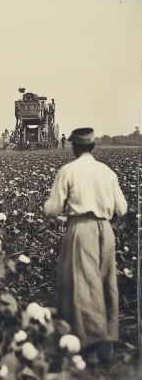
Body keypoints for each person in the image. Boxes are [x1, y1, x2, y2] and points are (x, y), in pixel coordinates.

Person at [44, 128, 128, 365]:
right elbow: (122, 208)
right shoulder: (107, 172)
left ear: (74, 147)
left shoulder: (68, 171)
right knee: (105, 281)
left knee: (83, 284)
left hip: (81, 229)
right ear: (92, 146)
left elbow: (53, 209)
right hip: (106, 230)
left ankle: (86, 343)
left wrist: (50, 207)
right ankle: (106, 341)